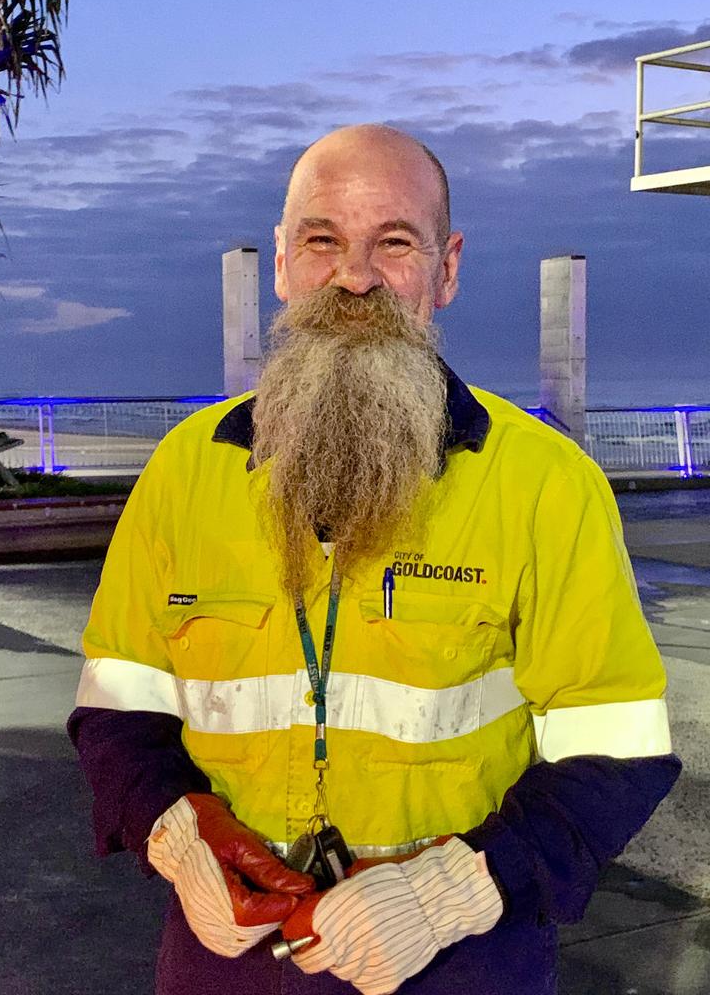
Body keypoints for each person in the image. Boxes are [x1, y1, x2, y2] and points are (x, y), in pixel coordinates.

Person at [68, 124, 681, 995]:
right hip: (227, 949)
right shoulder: (184, 469)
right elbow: (119, 703)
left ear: (447, 268)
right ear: (282, 263)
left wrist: (451, 894)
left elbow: (618, 750)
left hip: (458, 956)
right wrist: (174, 828)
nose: (354, 276)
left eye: (393, 242)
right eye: (323, 240)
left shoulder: (547, 486)